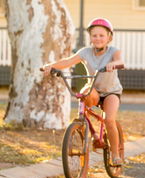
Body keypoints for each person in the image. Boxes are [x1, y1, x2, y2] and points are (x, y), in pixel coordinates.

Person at [42, 18, 124, 166]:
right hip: (94, 90)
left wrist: (113, 64)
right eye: (94, 35)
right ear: (90, 37)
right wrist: (50, 65)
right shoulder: (86, 52)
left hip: (111, 92)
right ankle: (85, 126)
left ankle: (115, 154)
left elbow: (120, 61)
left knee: (109, 120)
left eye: (101, 35)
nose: (98, 38)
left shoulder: (114, 51)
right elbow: (67, 61)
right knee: (85, 92)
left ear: (109, 37)